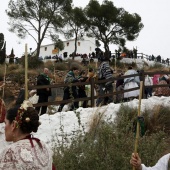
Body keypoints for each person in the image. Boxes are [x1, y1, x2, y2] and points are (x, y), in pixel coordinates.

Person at [0, 100, 53, 169]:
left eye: (5, 123)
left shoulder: (11, 152)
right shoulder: (42, 146)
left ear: (13, 125)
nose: (4, 127)